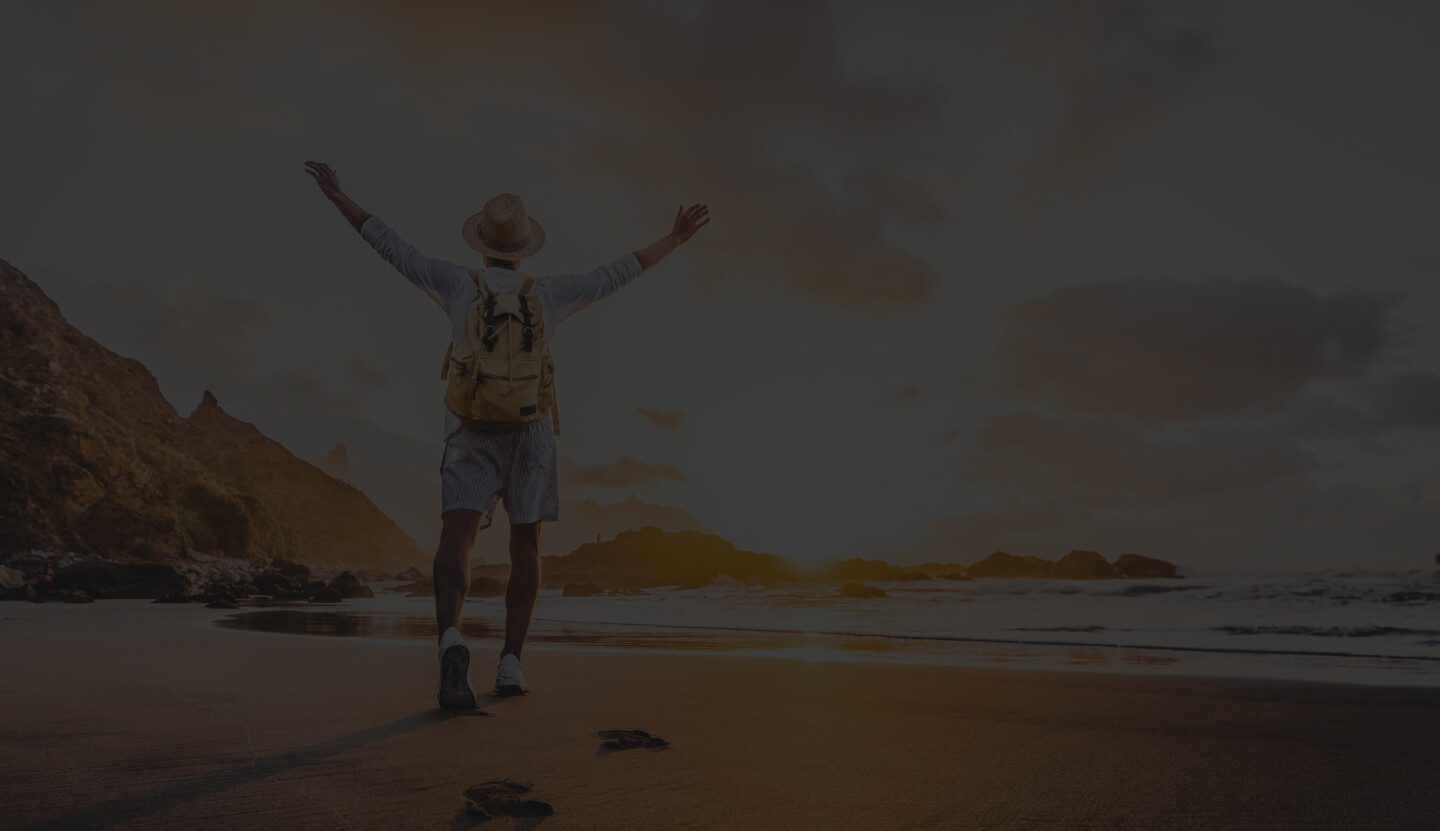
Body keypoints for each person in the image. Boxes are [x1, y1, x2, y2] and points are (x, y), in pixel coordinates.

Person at [305, 161, 708, 708]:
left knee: (456, 540)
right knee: (526, 546)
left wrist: (338, 197)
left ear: (482, 244)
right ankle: (512, 663)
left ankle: (451, 638)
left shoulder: (455, 284)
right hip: (530, 433)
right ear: (523, 247)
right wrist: (675, 238)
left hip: (470, 430)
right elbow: (619, 272)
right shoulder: (550, 293)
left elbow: (391, 246)